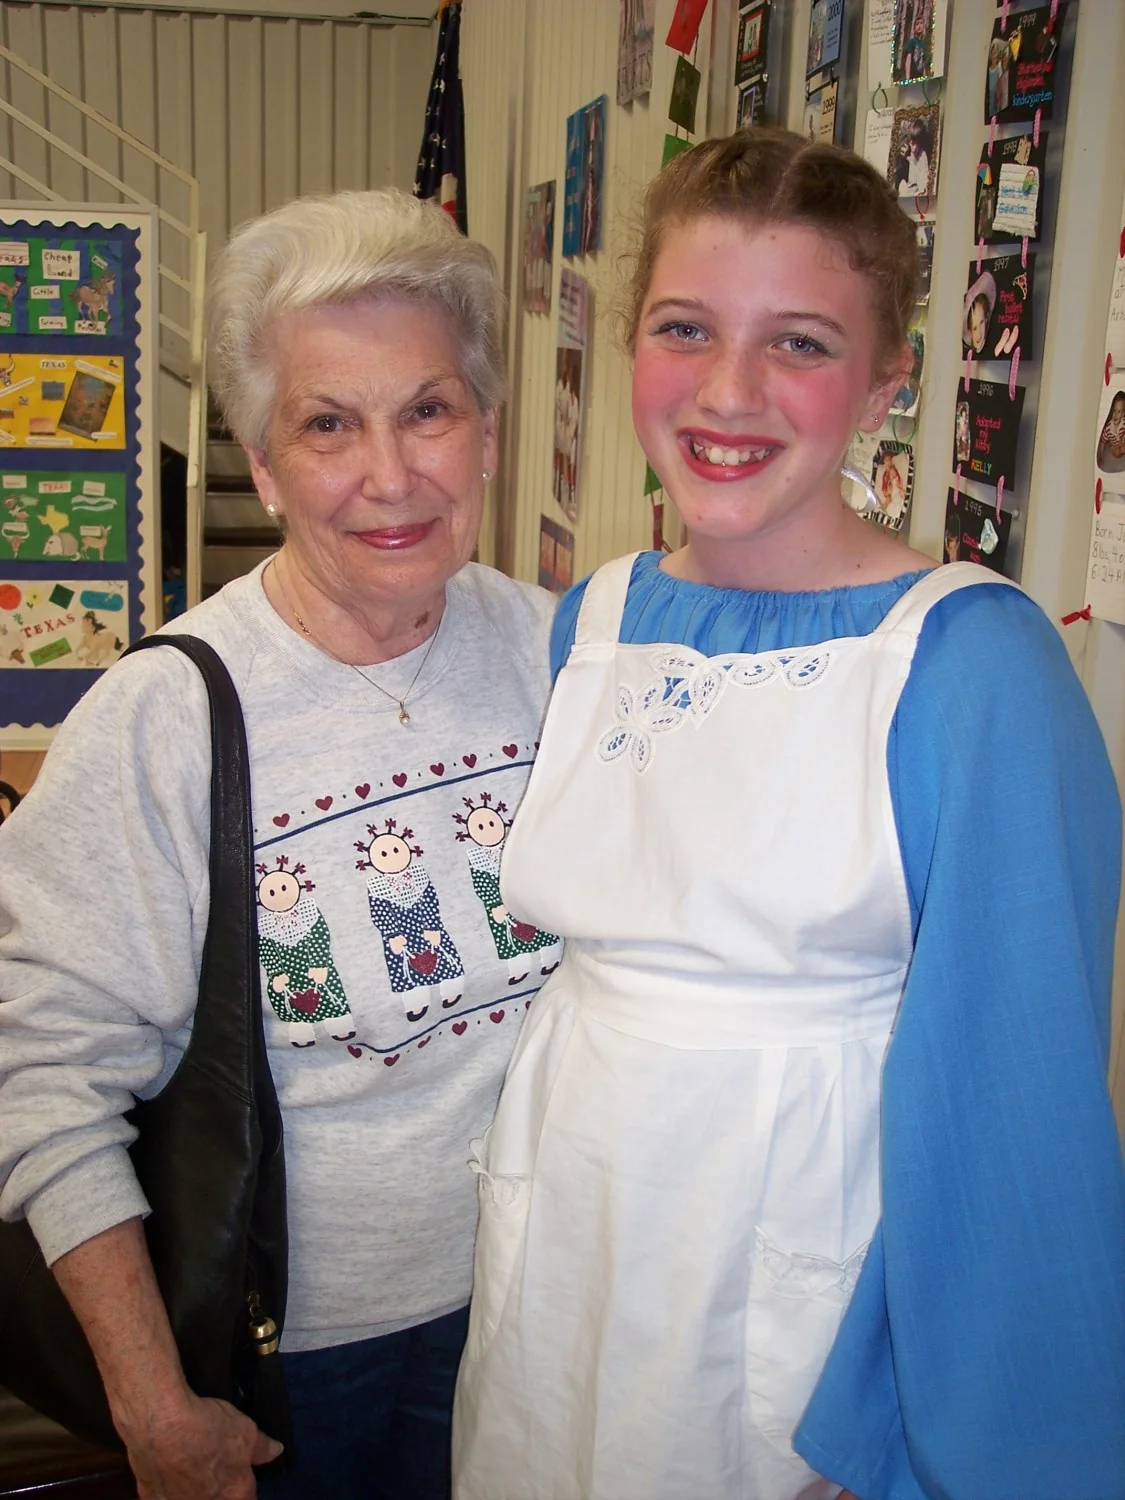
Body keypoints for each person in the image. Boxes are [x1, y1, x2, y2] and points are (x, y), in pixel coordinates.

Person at [453, 127, 1125, 1500]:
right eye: (685, 327)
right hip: (569, 1229)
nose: (728, 391)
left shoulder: (969, 663)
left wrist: (945, 1443)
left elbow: (1016, 1100)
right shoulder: (598, 618)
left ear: (889, 376)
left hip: (800, 1262)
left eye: (801, 344)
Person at [0, 188, 558, 1500]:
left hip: (544, 1302)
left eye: (428, 409)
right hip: (296, 1358)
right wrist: (152, 1406)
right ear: (263, 464)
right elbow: (41, 1077)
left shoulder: (560, 651)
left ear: (486, 431)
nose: (390, 475)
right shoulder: (166, 718)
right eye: (327, 424)